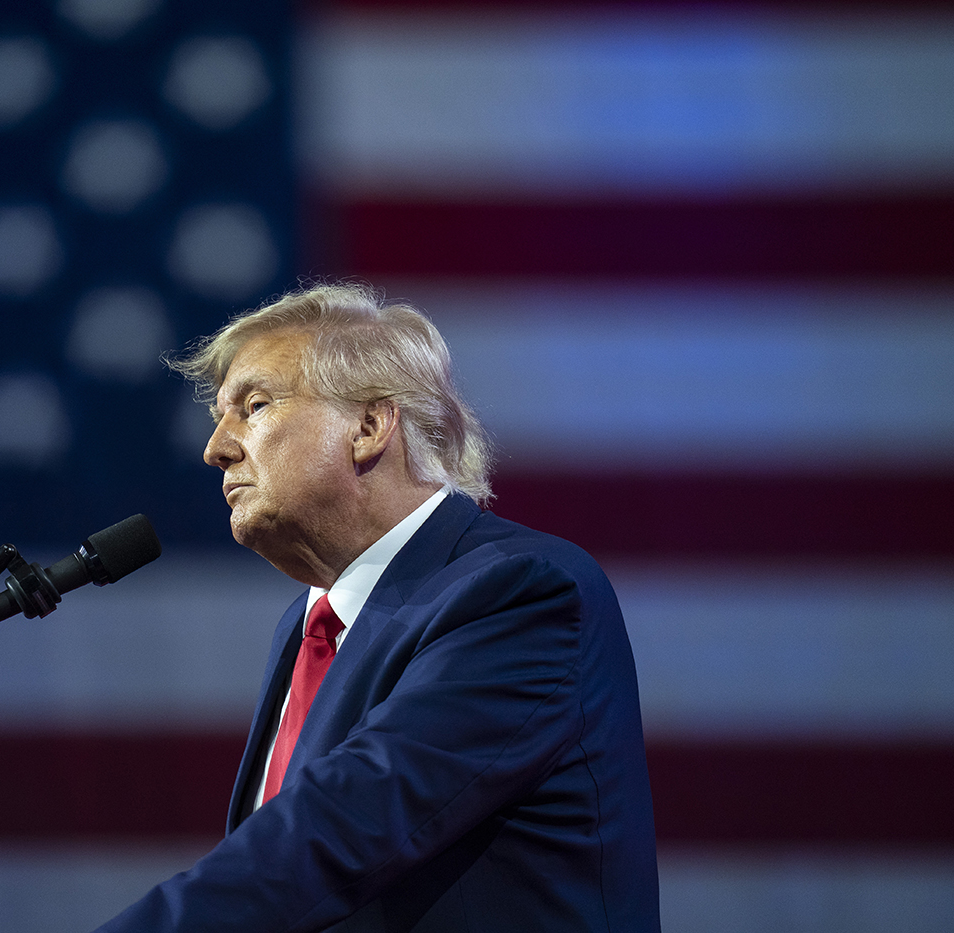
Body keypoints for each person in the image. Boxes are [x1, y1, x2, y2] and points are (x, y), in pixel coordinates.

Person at [95, 283, 659, 932]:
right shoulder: (306, 629)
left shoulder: (522, 592)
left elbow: (342, 822)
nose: (216, 447)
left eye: (254, 405)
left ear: (369, 426)